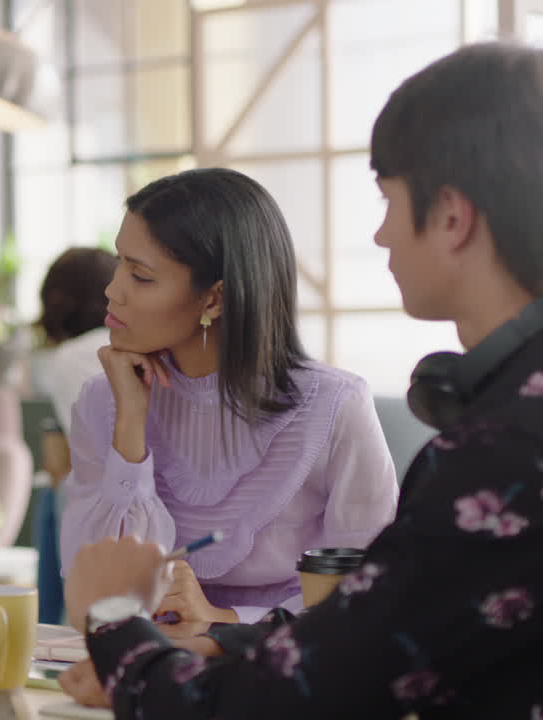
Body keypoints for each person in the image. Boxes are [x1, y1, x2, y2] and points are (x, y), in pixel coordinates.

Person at [62, 42, 543, 718]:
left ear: (453, 216)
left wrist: (114, 620)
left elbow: (301, 693)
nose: (379, 237)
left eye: (388, 201)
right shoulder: (502, 423)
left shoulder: (497, 453)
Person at [59, 167, 399, 626]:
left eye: (140, 276)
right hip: (142, 666)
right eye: (120, 262)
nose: (112, 289)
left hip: (282, 668)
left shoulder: (335, 406)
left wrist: (226, 619)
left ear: (215, 299)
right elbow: (97, 591)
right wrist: (130, 432)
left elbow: (371, 589)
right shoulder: (104, 400)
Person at [29, 247, 120, 624]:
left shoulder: (67, 359)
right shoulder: (130, 344)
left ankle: (53, 631)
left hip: (110, 495)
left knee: (57, 494)